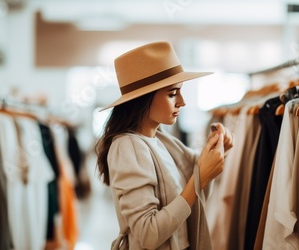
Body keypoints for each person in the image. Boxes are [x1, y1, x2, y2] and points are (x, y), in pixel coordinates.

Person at [96, 41, 234, 250]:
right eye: (172, 94)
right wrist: (199, 178)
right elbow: (149, 234)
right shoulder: (128, 146)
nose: (182, 101)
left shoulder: (163, 141)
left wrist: (218, 150)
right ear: (144, 99)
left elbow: (196, 183)